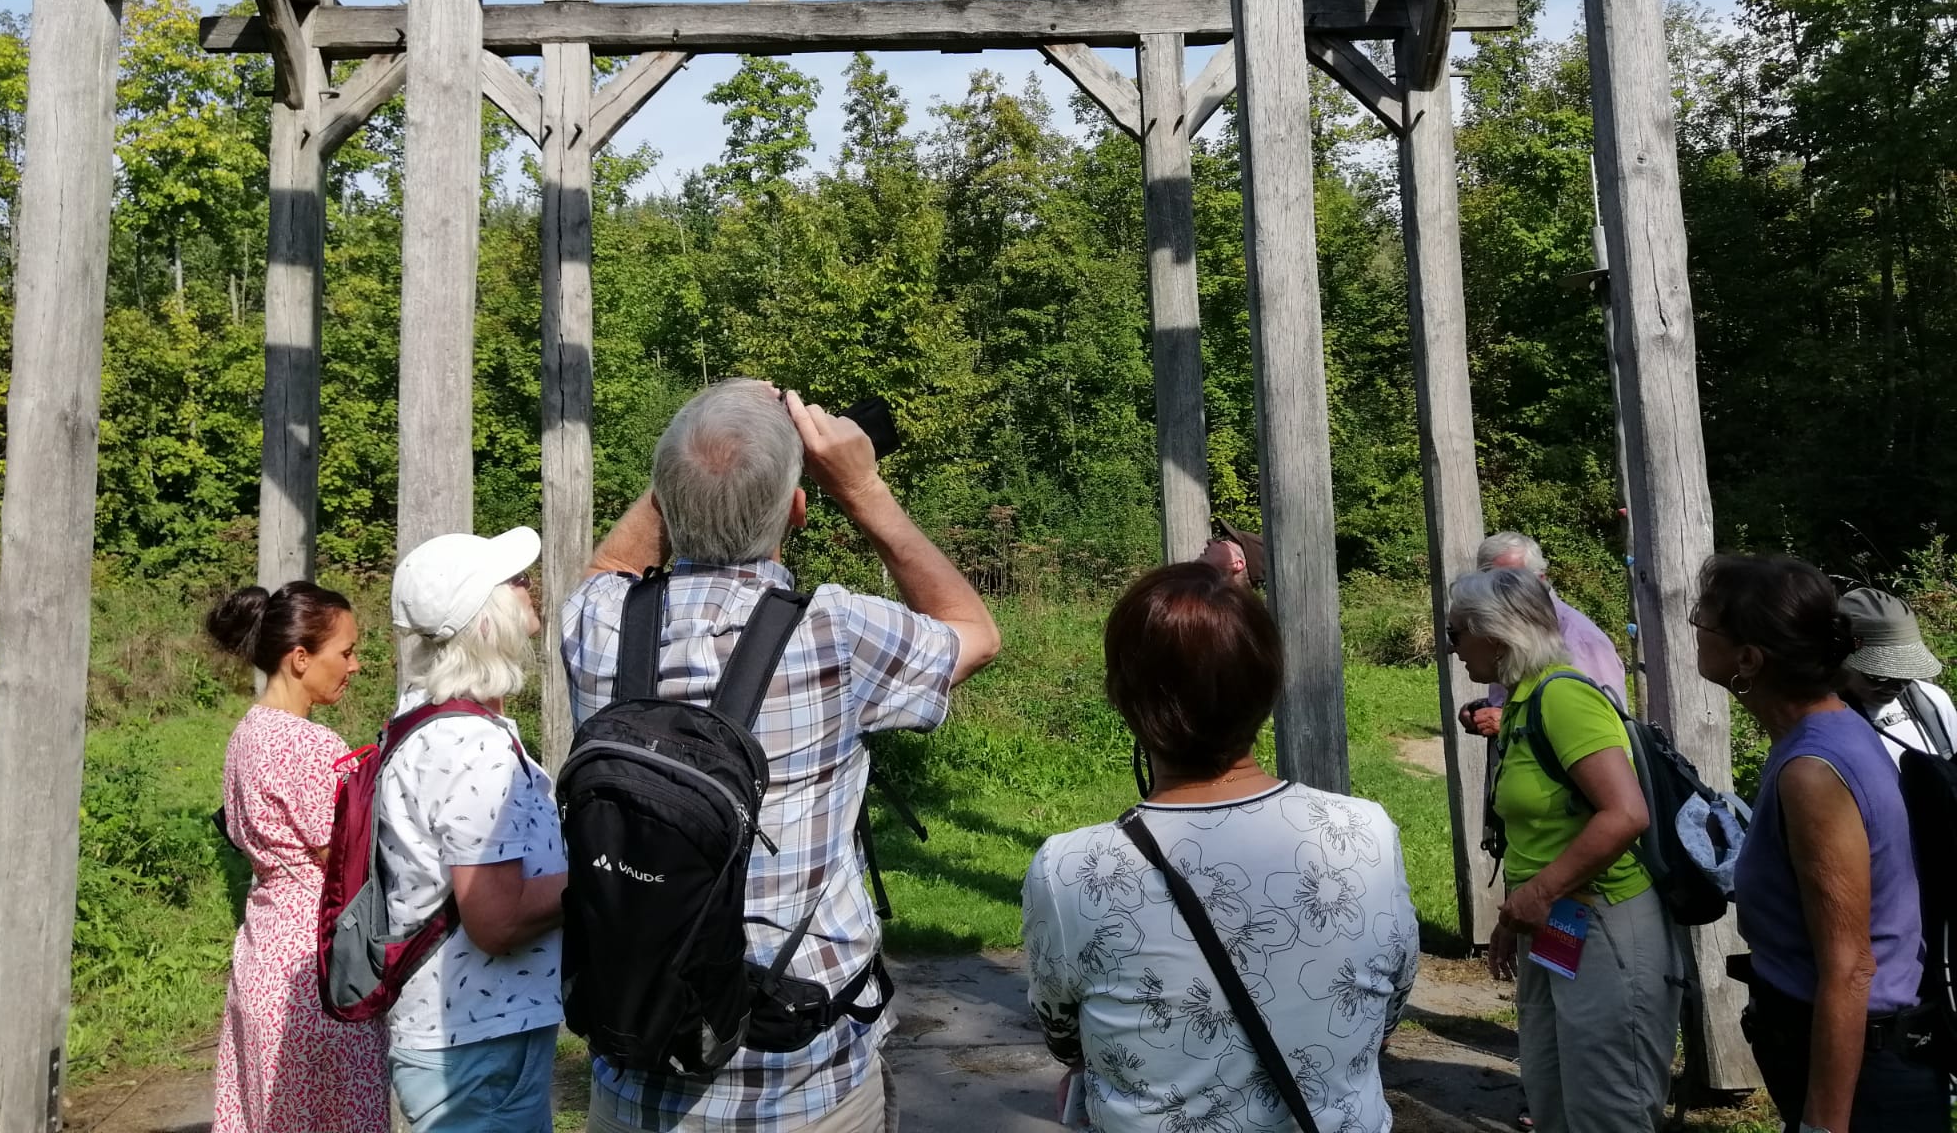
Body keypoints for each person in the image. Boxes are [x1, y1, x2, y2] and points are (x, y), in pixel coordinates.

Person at [562, 378, 1001, 1133]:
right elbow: (974, 630)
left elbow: (609, 569)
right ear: (799, 509)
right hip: (798, 1074)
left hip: (635, 1061)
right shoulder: (836, 632)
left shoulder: (599, 622)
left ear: (664, 499)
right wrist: (863, 489)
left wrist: (691, 467)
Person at [1022, 562, 1418, 1133]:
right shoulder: (1365, 832)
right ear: (1267, 686)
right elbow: (1386, 1009)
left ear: (1125, 697)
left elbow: (1064, 1036)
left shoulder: (1070, 870)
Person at [1691, 554, 1944, 1132]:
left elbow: (1851, 967)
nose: (1695, 635)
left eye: (1701, 623)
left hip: (1861, 1082)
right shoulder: (1827, 730)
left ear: (1748, 659)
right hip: (1842, 1060)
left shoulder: (1814, 772)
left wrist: (1823, 1126)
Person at [1447, 566, 1677, 1133]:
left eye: (1456, 635)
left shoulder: (1563, 698)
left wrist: (1539, 894)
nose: (1452, 650)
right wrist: (1516, 915)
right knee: (1552, 1091)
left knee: (1607, 1104)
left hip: (1605, 920)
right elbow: (1541, 833)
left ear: (1495, 637)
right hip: (1559, 922)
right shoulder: (1522, 700)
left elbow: (1625, 814)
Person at [380, 528, 569, 1133]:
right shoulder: (470, 746)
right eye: (513, 582)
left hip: (461, 1033)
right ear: (484, 620)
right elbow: (495, 920)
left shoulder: (422, 719)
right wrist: (602, 876)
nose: (528, 587)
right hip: (479, 1046)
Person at [206, 580, 389, 1133]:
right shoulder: (311, 747)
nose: (354, 666)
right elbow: (346, 859)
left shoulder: (247, 734)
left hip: (263, 949)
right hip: (318, 963)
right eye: (347, 652)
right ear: (301, 658)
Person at [1464, 532, 1626, 741]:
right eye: (1491, 584)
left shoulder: (1580, 639)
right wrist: (1482, 711)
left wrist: (1509, 722)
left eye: (1511, 582)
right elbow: (1533, 701)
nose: (1500, 593)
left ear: (1540, 579)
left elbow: (1603, 729)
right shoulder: (1509, 631)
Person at [1835, 586, 1957, 764]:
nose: (1898, 685)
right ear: (1841, 657)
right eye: (1879, 676)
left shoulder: (1931, 700)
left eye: (1907, 672)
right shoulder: (1825, 723)